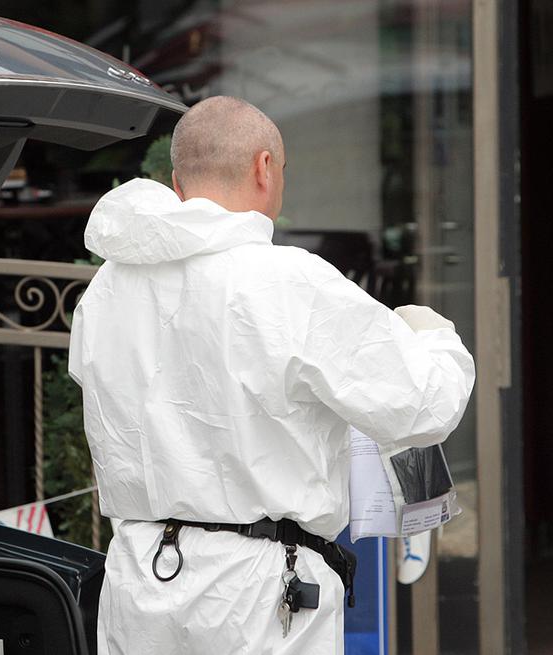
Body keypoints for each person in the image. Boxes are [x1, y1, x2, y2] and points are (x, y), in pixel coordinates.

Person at [67, 96, 475, 655]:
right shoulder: (288, 282)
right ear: (264, 168)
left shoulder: (107, 289)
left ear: (178, 183)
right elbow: (425, 405)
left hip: (141, 581)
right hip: (258, 596)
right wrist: (433, 336)